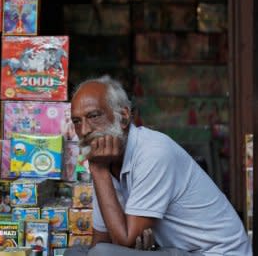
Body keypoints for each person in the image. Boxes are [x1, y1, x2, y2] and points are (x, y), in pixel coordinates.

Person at [66, 75, 251, 256]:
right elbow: (102, 239)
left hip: (213, 252)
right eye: (77, 121)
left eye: (94, 116)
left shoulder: (153, 151)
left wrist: (98, 171)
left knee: (102, 254)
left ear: (123, 117)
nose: (84, 130)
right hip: (175, 250)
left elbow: (124, 241)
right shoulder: (106, 161)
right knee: (74, 252)